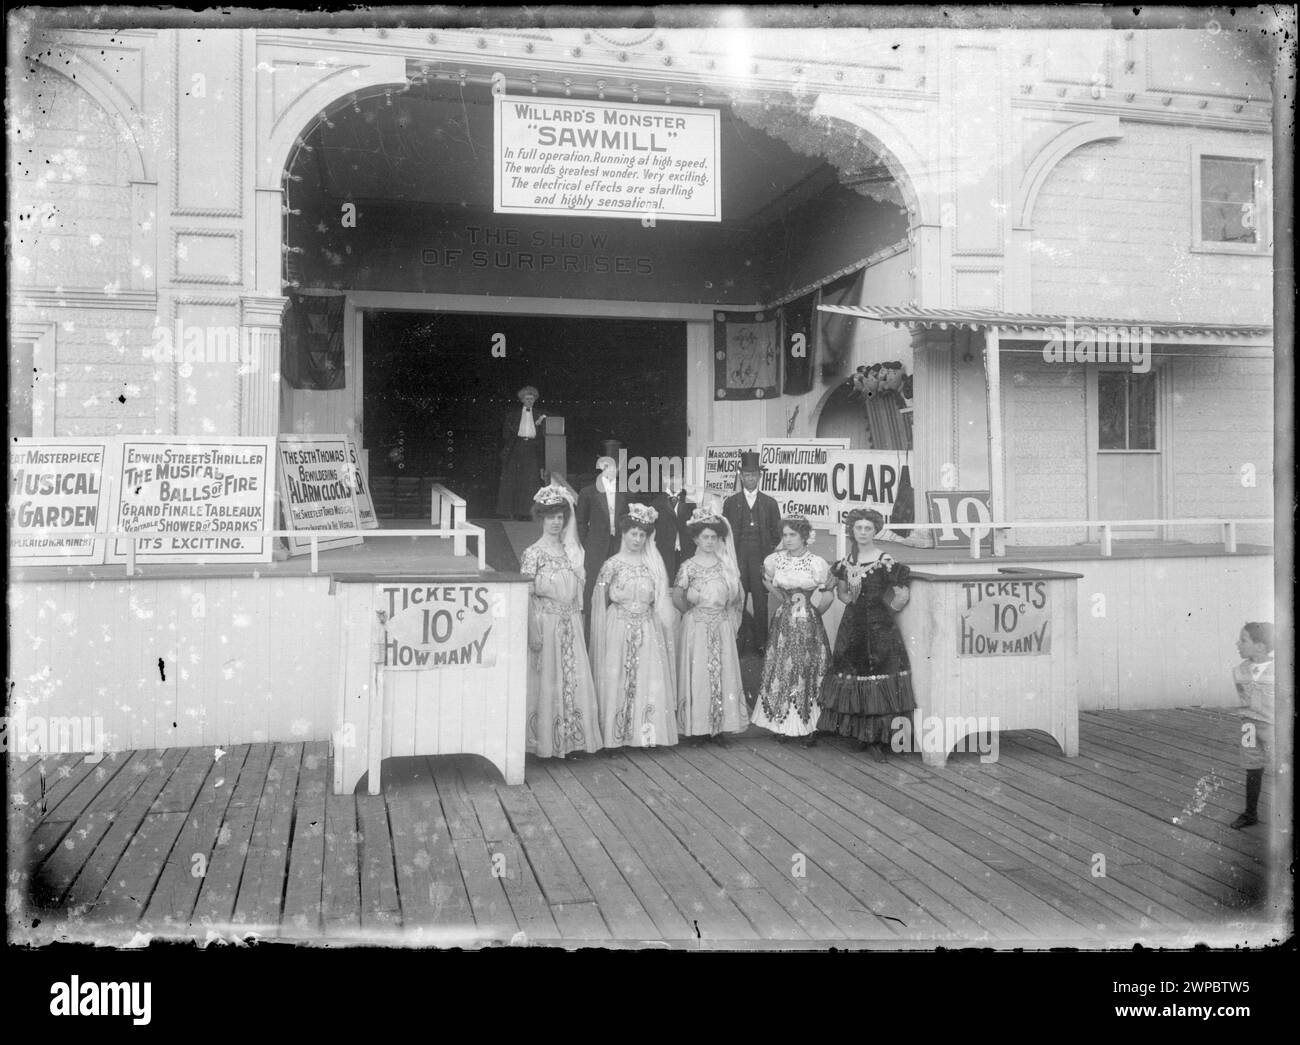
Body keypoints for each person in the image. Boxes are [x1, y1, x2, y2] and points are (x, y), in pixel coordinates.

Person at [818, 507, 916, 761]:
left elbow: (902, 593)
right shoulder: (845, 562)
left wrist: (889, 610)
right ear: (852, 530)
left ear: (875, 531)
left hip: (879, 628)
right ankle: (862, 735)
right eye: (858, 528)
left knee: (878, 679)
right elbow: (841, 594)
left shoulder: (885, 561)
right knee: (856, 677)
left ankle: (878, 740)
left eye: (868, 528)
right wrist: (849, 597)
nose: (862, 533)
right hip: (852, 627)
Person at [518, 484, 603, 759]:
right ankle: (545, 743)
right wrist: (533, 631)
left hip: (570, 623)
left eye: (559, 517)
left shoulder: (571, 551)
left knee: (572, 678)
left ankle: (572, 741)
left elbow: (577, 592)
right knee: (548, 680)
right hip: (546, 622)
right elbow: (527, 596)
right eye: (550, 517)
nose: (555, 522)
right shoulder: (533, 553)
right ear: (540, 518)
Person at [589, 505, 679, 749]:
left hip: (647, 627)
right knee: (617, 676)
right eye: (633, 534)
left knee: (647, 679)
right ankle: (615, 737)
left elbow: (660, 599)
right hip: (618, 625)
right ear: (624, 534)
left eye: (642, 535)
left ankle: (646, 736)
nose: (637, 539)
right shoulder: (612, 564)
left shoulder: (653, 564)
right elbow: (599, 599)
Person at [751, 516, 832, 746]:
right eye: (784, 535)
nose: (787, 539)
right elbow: (767, 580)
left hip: (807, 624)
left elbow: (828, 594)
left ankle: (809, 726)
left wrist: (814, 613)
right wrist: (783, 600)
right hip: (784, 622)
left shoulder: (815, 562)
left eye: (792, 535)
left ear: (804, 537)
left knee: (806, 668)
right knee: (783, 669)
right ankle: (782, 724)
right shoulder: (775, 560)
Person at [671, 509, 747, 744]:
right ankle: (699, 727)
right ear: (696, 539)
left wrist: (721, 613)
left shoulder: (726, 566)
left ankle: (720, 726)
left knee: (722, 672)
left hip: (721, 624)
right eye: (705, 537)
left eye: (714, 537)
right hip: (697, 625)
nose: (710, 541)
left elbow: (735, 598)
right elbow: (677, 596)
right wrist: (694, 614)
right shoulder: (688, 566)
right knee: (699, 674)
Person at [722, 450, 782, 655]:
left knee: (761, 603)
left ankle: (761, 645)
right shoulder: (730, 503)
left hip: (760, 559)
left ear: (759, 476)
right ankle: (737, 645)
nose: (750, 479)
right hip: (738, 559)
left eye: (754, 475)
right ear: (741, 476)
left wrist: (766, 552)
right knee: (737, 601)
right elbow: (724, 533)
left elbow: (777, 532)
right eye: (747, 475)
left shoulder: (769, 503)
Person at [576, 455, 629, 628]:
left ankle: (616, 629)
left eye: (612, 467)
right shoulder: (588, 492)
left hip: (619, 546)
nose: (609, 470)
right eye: (605, 467)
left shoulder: (626, 491)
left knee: (619, 584)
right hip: (596, 547)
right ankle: (591, 630)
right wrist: (588, 544)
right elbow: (581, 522)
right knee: (593, 585)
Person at [1231, 621, 1275, 829]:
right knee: (1252, 768)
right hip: (1248, 727)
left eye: (1243, 640)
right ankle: (1250, 814)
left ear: (1261, 646)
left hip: (1274, 727)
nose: (1237, 644)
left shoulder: (1281, 670)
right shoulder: (1239, 670)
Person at [497, 385, 548, 519]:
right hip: (516, 448)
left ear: (535, 400)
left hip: (532, 449)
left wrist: (540, 423)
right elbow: (505, 435)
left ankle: (528, 513)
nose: (529, 401)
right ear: (522, 400)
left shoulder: (540, 415)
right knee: (513, 480)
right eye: (527, 399)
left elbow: (543, 436)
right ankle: (511, 513)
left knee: (530, 482)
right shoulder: (512, 415)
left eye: (532, 399)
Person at [648, 462, 695, 581]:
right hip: (664, 553)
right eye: (670, 477)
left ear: (683, 479)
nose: (674, 481)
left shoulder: (691, 503)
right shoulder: (656, 503)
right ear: (664, 478)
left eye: (678, 477)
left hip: (686, 552)